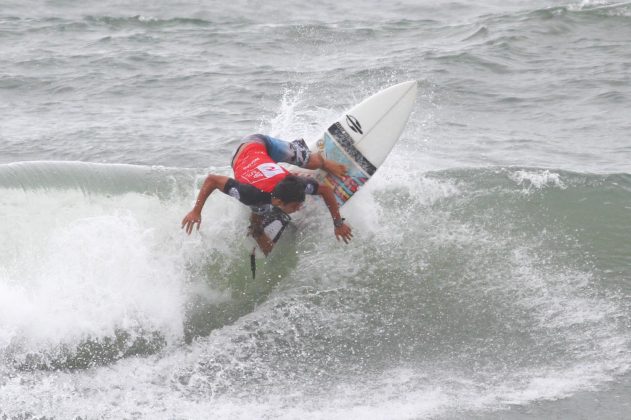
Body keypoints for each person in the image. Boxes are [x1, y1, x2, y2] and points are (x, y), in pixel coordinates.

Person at [181, 134, 353, 256]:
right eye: (295, 206)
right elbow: (212, 180)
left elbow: (325, 190)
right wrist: (196, 211)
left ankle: (321, 160)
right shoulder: (248, 193)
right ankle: (256, 231)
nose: (299, 207)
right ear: (278, 200)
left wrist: (338, 223)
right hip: (248, 149)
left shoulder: (295, 183)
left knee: (313, 163)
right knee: (258, 208)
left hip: (265, 148)